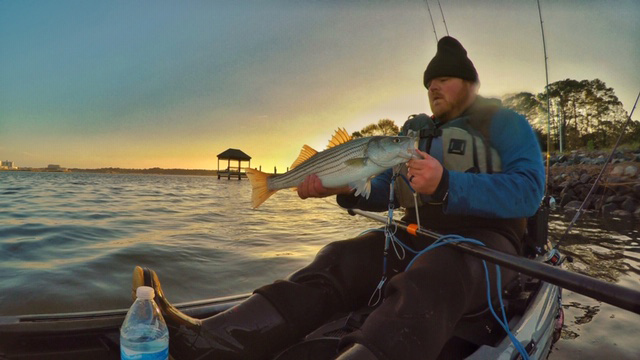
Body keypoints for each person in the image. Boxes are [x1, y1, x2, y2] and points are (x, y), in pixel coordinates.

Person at [133, 36, 545, 360]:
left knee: (434, 277)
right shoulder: (418, 137)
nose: (433, 87)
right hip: (417, 234)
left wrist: (448, 185)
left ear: (470, 83)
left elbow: (529, 190)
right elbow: (383, 190)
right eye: (428, 83)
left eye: (444, 79)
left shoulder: (507, 124)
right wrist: (342, 188)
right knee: (337, 258)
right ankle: (213, 341)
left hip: (489, 250)